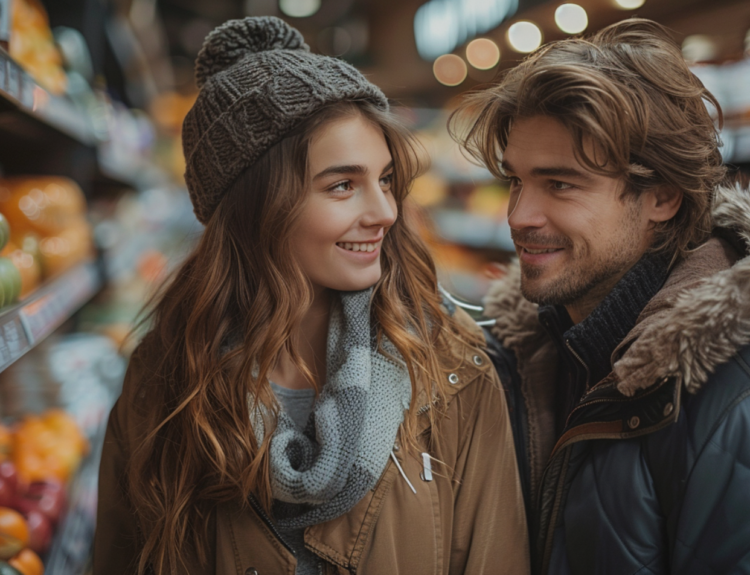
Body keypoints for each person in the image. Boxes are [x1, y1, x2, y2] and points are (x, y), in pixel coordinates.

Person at [93, 16, 529, 575]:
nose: (384, 212)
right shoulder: (162, 384)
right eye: (343, 185)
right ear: (255, 206)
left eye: (386, 179)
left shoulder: (452, 373)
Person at [452, 18, 750, 575]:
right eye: (515, 181)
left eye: (560, 184)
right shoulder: (523, 354)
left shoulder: (731, 402)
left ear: (661, 195)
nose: (517, 217)